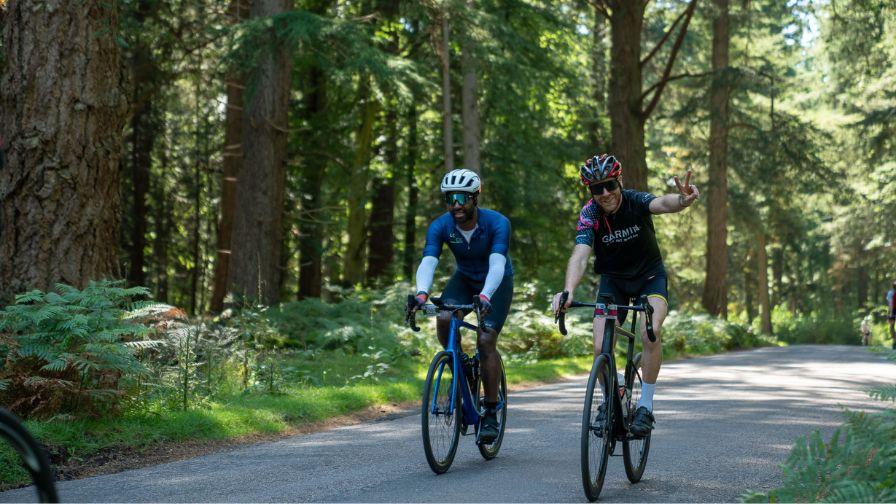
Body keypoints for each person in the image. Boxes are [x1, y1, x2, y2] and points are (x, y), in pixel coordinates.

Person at [551, 154, 699, 437]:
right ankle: (612, 397)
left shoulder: (634, 201)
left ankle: (645, 406)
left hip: (650, 278)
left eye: (609, 185)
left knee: (650, 332)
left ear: (618, 182)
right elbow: (580, 256)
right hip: (614, 282)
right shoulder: (590, 215)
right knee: (599, 347)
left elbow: (660, 203)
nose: (605, 193)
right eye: (597, 188)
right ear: (590, 191)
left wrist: (681, 201)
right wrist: (567, 290)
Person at [409, 168, 514, 443]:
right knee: (444, 316)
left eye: (462, 198)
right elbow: (429, 260)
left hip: (496, 282)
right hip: (465, 279)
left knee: (485, 339)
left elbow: (497, 263)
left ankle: (490, 411)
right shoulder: (441, 225)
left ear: (475, 198)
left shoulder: (497, 223)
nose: (456, 204)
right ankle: (461, 367)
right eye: (450, 198)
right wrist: (421, 293)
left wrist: (487, 295)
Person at [888, 281, 896, 348]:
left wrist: (890, 313)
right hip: (893, 311)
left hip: (893, 311)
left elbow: (890, 303)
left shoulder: (891, 293)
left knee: (891, 327)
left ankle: (894, 341)